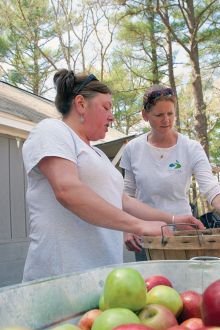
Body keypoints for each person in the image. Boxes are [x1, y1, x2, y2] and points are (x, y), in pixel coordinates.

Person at [22, 70, 204, 282]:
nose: (112, 116)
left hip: (101, 276)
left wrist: (171, 219)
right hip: (61, 276)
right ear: (81, 104)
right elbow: (67, 190)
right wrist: (139, 225)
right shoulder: (52, 130)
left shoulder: (97, 154)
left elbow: (122, 200)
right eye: (106, 107)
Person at [120, 85, 220, 260]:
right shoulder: (132, 149)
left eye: (170, 114)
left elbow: (212, 189)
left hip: (183, 233)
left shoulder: (191, 148)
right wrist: (127, 228)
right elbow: (127, 195)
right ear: (145, 116)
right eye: (159, 115)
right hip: (146, 234)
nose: (166, 120)